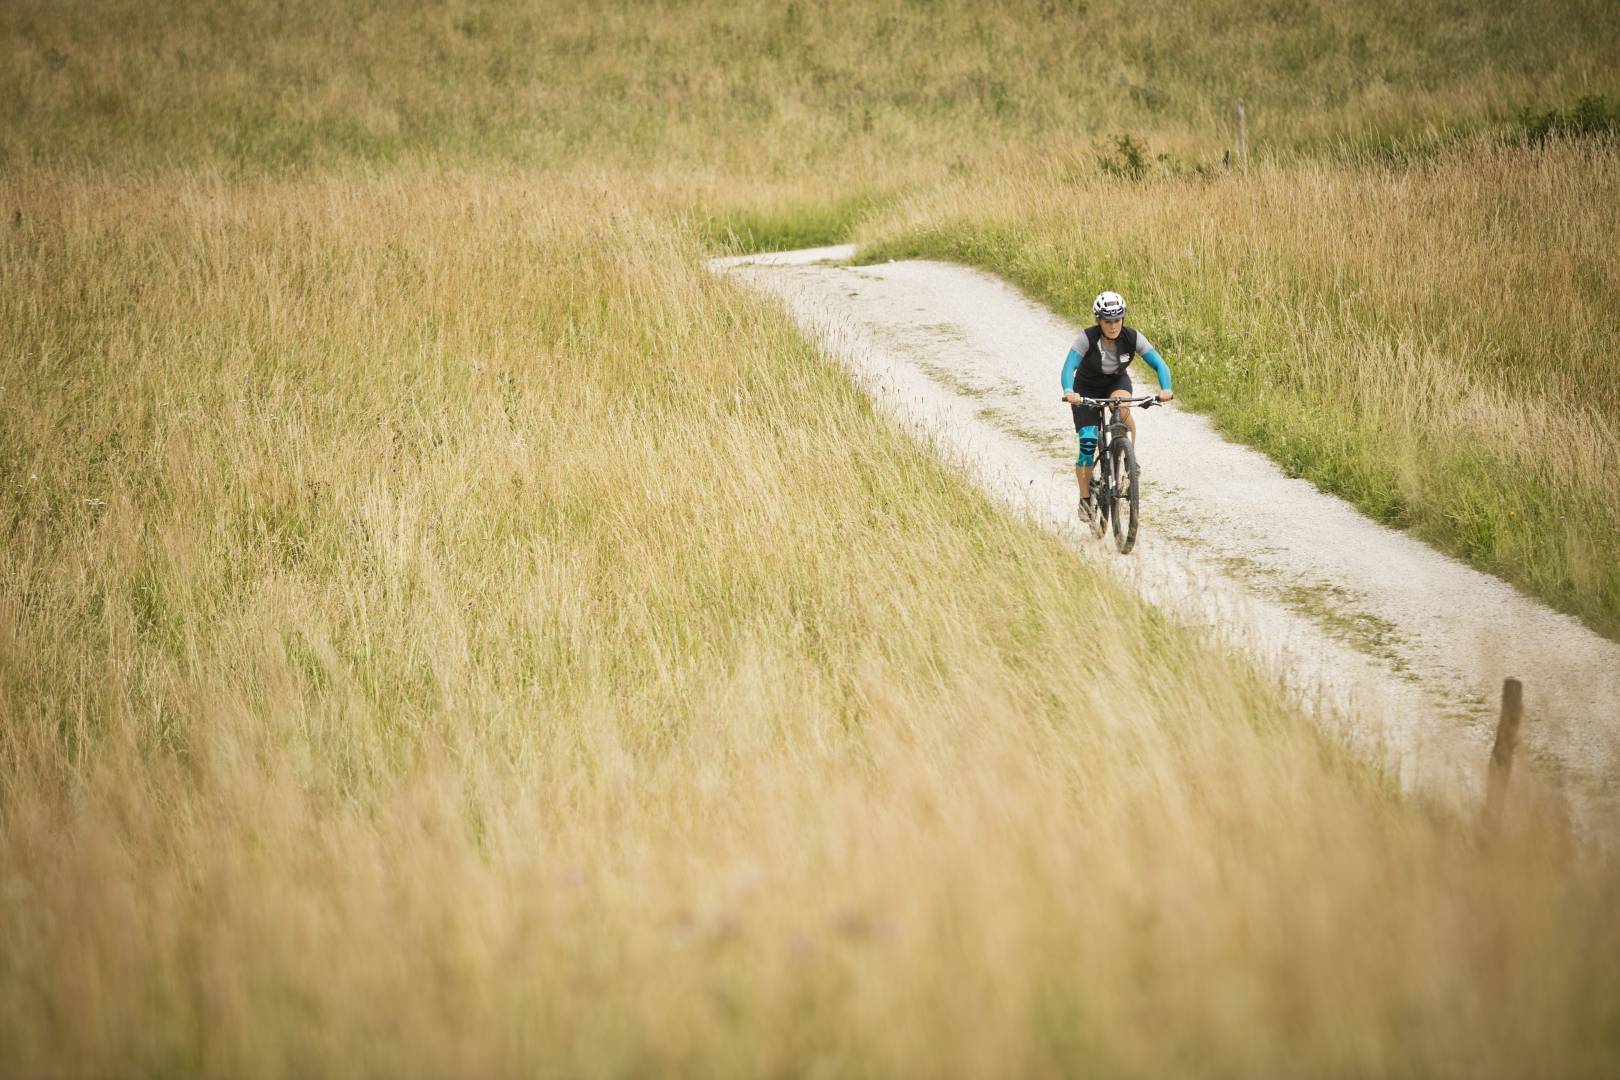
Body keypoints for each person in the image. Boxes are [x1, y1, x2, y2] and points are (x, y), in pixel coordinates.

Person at [1060, 290, 1173, 523]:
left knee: (1122, 411)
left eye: (1117, 320)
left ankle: (1128, 457)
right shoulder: (1086, 338)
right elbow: (1068, 366)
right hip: (1086, 388)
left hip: (1115, 382)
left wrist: (1166, 388)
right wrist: (1070, 392)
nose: (1113, 326)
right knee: (1088, 442)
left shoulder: (1132, 337)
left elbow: (1159, 363)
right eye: (1108, 320)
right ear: (1098, 320)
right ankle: (1084, 498)